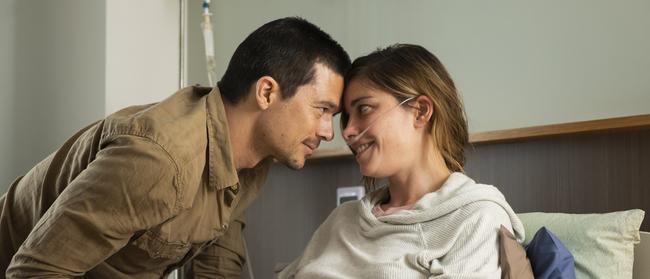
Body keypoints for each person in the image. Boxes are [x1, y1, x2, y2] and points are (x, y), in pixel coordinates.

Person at [0, 17, 350, 278]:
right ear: (266, 93)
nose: (327, 131)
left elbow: (216, 266)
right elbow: (34, 272)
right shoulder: (161, 160)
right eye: (323, 110)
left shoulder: (249, 162)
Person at [277, 44, 524, 278]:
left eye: (364, 109)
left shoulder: (476, 217)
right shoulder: (342, 220)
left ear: (421, 111)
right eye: (347, 117)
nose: (347, 131)